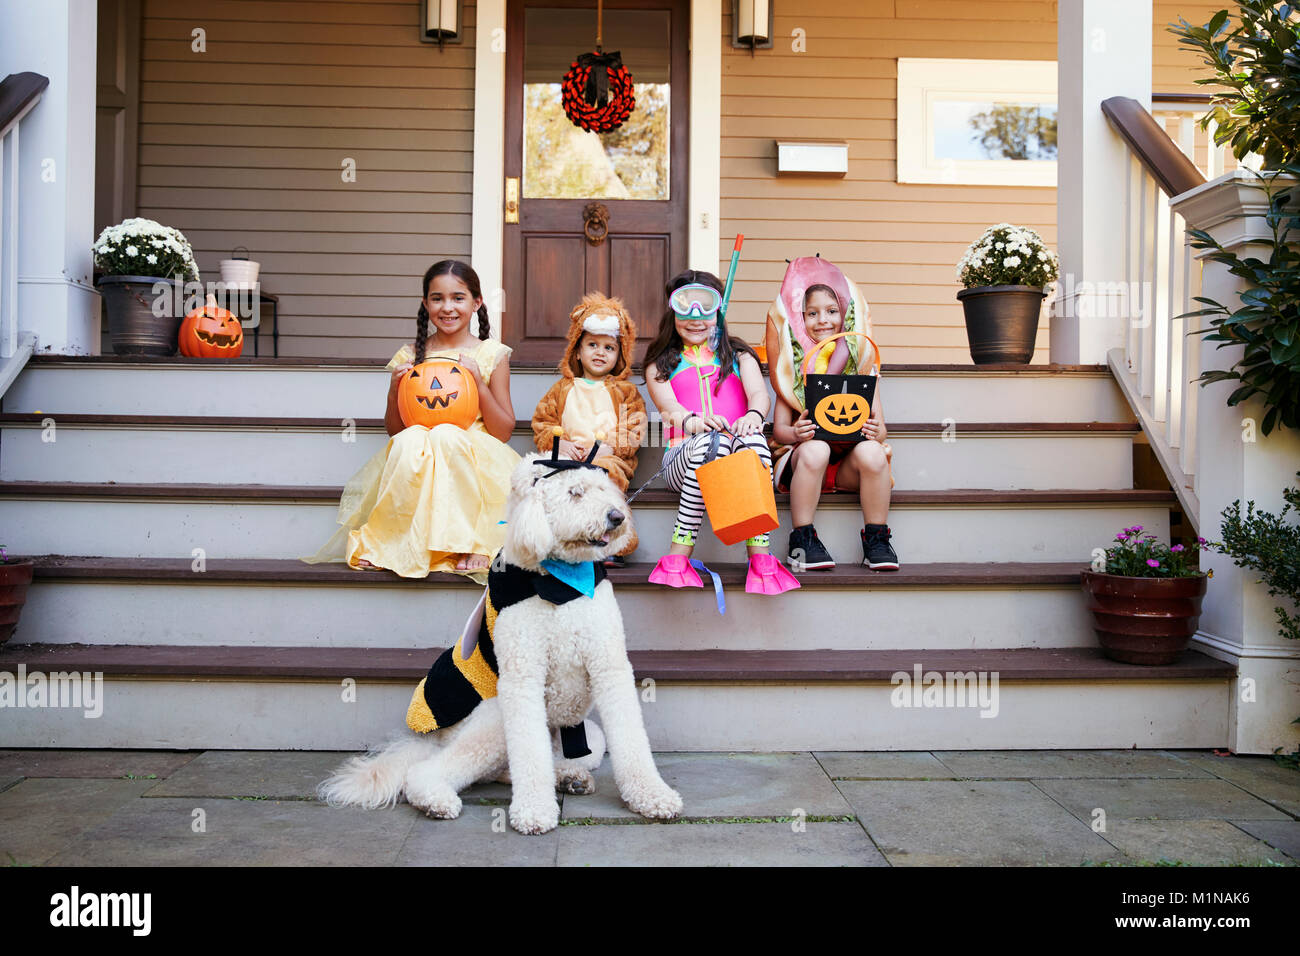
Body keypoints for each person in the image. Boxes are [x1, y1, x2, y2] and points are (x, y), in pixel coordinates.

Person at [305, 260, 519, 583]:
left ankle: (470, 543)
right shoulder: (409, 356)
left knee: (448, 435)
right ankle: (393, 543)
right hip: (419, 445)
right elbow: (395, 429)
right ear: (425, 303)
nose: (447, 307)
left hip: (471, 449)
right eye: (437, 298)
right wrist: (394, 391)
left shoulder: (491, 354)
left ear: (476, 303)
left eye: (458, 298)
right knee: (408, 441)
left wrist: (479, 383)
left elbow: (503, 431)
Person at [642, 270, 800, 595]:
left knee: (754, 440)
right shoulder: (661, 364)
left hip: (737, 457)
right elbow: (670, 409)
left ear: (719, 310)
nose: (696, 319)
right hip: (682, 459)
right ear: (673, 313)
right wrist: (694, 422)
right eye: (686, 309)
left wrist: (753, 416)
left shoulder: (739, 355)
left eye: (706, 307)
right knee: (705, 447)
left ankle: (761, 558)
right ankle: (678, 556)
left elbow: (760, 395)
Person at [766, 257, 899, 571]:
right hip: (807, 463)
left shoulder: (863, 368)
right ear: (801, 319)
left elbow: (881, 431)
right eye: (812, 313)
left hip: (846, 466)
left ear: (845, 316)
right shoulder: (793, 372)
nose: (822, 320)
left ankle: (877, 539)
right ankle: (802, 538)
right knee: (816, 447)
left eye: (831, 311)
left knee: (873, 453)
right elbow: (779, 432)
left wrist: (873, 430)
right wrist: (796, 433)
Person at [531, 292, 646, 566]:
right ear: (578, 352)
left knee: (605, 476)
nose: (600, 352)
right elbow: (543, 422)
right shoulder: (562, 389)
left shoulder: (625, 391)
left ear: (619, 355)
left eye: (609, 348)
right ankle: (568, 536)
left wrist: (611, 447)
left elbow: (635, 425)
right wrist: (560, 444)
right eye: (592, 345)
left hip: (608, 455)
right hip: (569, 453)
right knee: (562, 479)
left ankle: (611, 542)